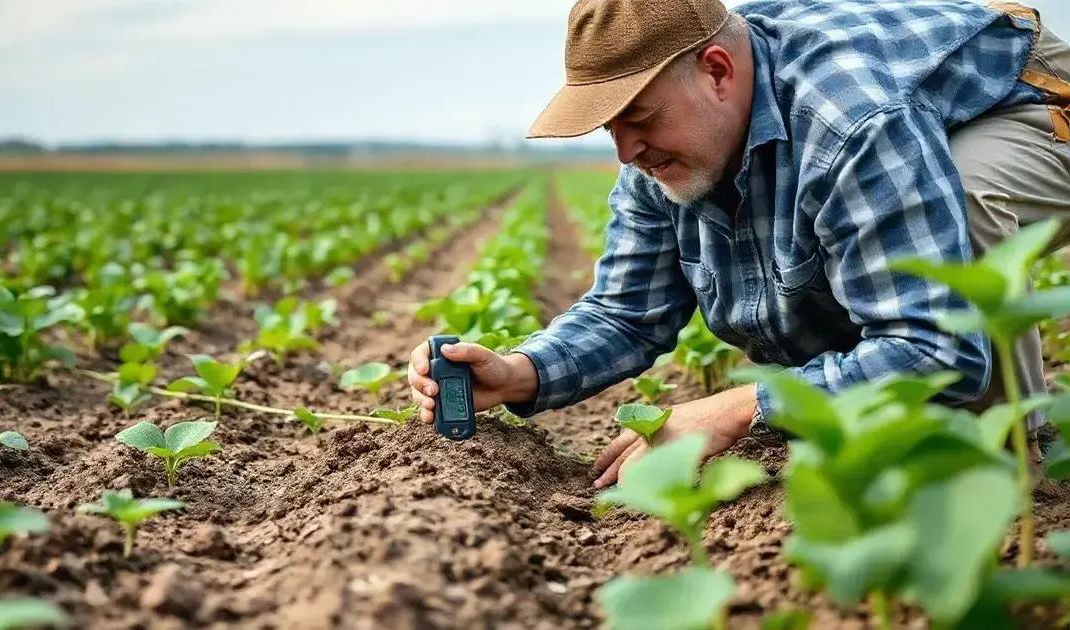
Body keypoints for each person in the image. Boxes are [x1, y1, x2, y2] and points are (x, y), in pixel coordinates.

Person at [408, 0, 1070, 488]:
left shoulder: (851, 120)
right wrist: (524, 372)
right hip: (894, 121)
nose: (626, 151)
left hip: (1027, 100)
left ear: (718, 72)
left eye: (637, 119)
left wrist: (742, 405)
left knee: (962, 201)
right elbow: (626, 311)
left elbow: (934, 345)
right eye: (611, 128)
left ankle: (1006, 468)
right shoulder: (660, 154)